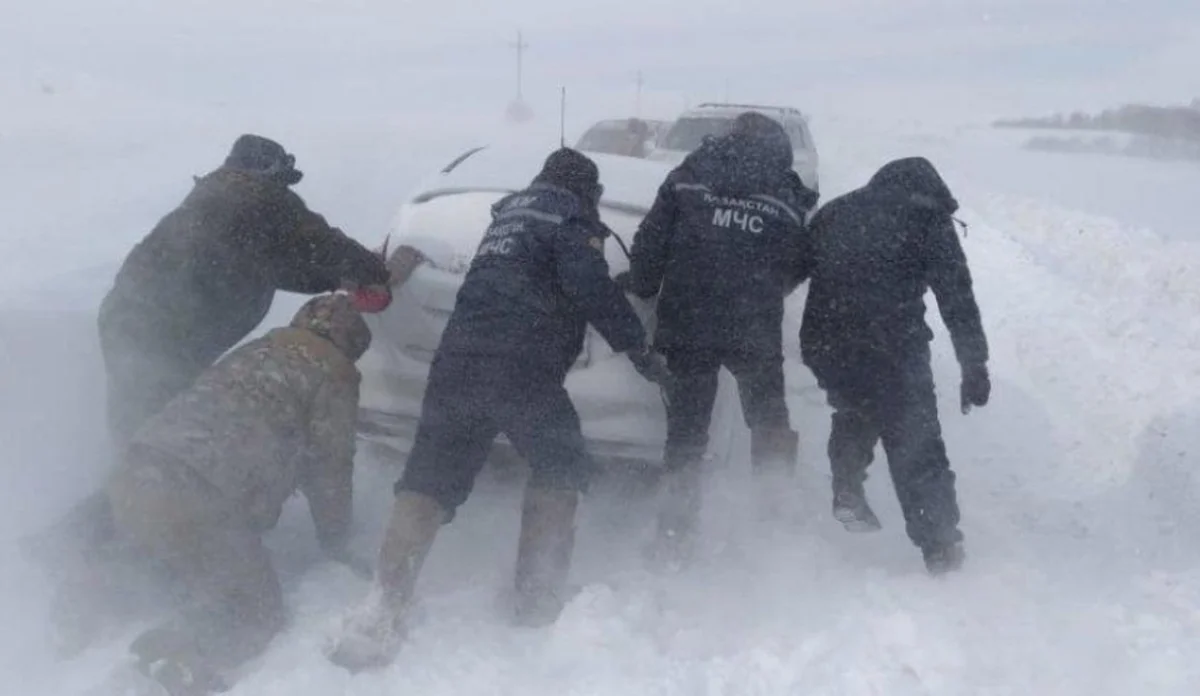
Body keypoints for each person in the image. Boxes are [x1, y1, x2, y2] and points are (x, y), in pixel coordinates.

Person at [326, 148, 671, 672]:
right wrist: (639, 350)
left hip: (457, 362)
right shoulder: (569, 220)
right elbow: (589, 287)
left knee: (428, 479)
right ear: (587, 191)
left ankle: (383, 605)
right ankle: (536, 597)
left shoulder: (506, 220)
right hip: (524, 367)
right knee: (560, 464)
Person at [105, 293, 373, 694]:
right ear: (351, 344)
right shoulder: (333, 374)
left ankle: (83, 605)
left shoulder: (257, 348)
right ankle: (178, 656)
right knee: (256, 610)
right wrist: (337, 539)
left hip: (134, 470)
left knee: (164, 557)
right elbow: (330, 469)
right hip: (196, 496)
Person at [98, 133, 391, 449]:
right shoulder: (261, 197)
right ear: (269, 173)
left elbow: (272, 268)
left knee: (138, 429)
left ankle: (123, 484)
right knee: (166, 440)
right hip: (165, 331)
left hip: (123, 318)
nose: (286, 190)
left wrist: (339, 280)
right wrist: (375, 270)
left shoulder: (219, 204)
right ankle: (140, 491)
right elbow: (326, 245)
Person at [618, 112, 819, 560]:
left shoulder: (689, 176)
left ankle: (676, 533)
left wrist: (643, 284)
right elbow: (799, 261)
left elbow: (650, 244)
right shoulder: (787, 194)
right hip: (753, 325)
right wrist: (765, 287)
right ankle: (775, 517)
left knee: (687, 432)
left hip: (689, 319)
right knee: (768, 418)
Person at [798, 156, 990, 575]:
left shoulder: (836, 210)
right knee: (917, 445)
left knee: (855, 408)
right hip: (893, 346)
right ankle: (940, 548)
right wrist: (974, 364)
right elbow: (956, 297)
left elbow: (790, 270)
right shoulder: (928, 219)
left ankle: (847, 484)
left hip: (826, 342)